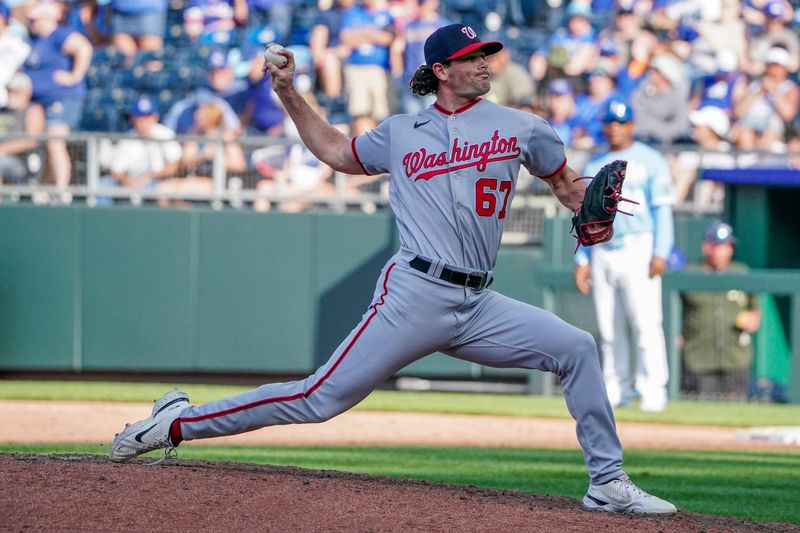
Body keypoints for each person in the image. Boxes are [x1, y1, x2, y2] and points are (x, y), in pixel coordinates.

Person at [110, 24, 677, 515]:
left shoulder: (521, 126)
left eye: (487, 55)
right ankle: (176, 422)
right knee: (318, 399)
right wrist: (289, 94)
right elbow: (335, 152)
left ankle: (608, 484)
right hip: (415, 293)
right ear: (441, 70)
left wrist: (586, 203)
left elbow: (565, 185)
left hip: (478, 303)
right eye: (472, 57)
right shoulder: (402, 132)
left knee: (576, 347)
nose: (485, 64)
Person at [574, 98, 675, 413]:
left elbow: (663, 210)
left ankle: (652, 389)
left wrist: (661, 251)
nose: (614, 128)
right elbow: (585, 215)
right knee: (608, 327)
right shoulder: (595, 164)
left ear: (631, 125)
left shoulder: (650, 160)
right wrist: (581, 259)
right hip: (603, 248)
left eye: (620, 122)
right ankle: (615, 389)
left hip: (638, 245)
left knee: (646, 323)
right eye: (610, 122)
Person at [680, 222, 760, 399]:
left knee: (736, 407)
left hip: (735, 357)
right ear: (706, 246)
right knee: (699, 410)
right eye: (716, 245)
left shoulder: (741, 273)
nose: (721, 251)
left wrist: (752, 319)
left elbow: (755, 310)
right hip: (698, 357)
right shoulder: (690, 273)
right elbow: (674, 311)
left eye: (726, 246)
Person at [23, 0, 93, 192]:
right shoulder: (34, 40)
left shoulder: (59, 35)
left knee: (55, 142)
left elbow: (84, 48)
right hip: (38, 102)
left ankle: (62, 191)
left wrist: (74, 76)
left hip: (62, 98)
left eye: (36, 20)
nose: (33, 23)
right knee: (45, 147)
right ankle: (45, 192)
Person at [97, 95, 182, 203]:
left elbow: (175, 165)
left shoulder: (164, 134)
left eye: (147, 117)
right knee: (104, 184)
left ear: (155, 117)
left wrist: (149, 176)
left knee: (162, 189)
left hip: (157, 181)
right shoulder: (128, 139)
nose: (143, 121)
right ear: (133, 119)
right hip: (132, 181)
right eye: (140, 117)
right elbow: (116, 170)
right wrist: (128, 180)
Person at [0, 72, 44, 185]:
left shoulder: (33, 110)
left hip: (20, 163)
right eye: (9, 91)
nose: (11, 94)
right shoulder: (2, 111)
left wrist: (3, 149)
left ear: (27, 93)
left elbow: (31, 141)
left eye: (15, 91)